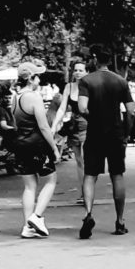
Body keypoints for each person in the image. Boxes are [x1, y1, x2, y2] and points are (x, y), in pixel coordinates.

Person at [77, 46, 135, 238]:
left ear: (95, 59)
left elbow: (82, 107)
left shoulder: (86, 81)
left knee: (90, 175)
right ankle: (120, 220)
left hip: (94, 133)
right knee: (117, 175)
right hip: (115, 133)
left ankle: (88, 214)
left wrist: (94, 117)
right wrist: (126, 132)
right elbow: (131, 111)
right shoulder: (121, 81)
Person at [12, 61, 60, 238]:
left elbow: (17, 122)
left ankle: (27, 226)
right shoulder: (34, 97)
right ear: (31, 78)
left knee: (29, 185)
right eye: (37, 75)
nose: (40, 79)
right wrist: (54, 148)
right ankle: (37, 217)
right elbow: (44, 126)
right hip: (36, 144)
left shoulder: (15, 97)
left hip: (21, 143)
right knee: (51, 180)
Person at [52, 60, 89, 203]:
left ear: (86, 72)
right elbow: (62, 108)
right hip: (74, 125)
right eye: (76, 70)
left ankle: (87, 192)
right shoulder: (69, 86)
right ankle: (83, 192)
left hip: (87, 124)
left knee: (86, 160)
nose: (78, 73)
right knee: (79, 161)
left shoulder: (90, 86)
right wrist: (55, 124)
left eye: (81, 70)